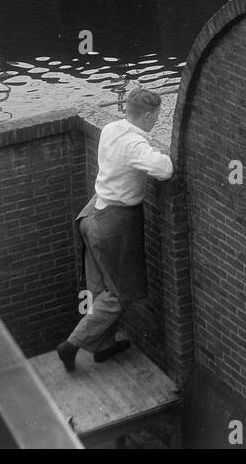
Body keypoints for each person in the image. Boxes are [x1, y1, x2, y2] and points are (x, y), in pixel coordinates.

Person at [57, 85, 173, 372]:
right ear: (146, 116)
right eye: (156, 116)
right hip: (114, 224)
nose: (157, 121)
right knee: (122, 293)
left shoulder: (111, 129)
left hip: (91, 214)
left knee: (99, 288)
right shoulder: (135, 144)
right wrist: (158, 148)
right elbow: (165, 169)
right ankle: (72, 344)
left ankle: (103, 345)